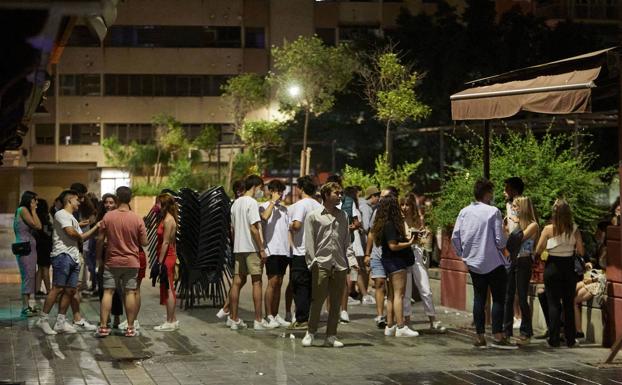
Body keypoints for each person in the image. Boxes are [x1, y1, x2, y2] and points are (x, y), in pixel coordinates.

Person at [451, 179, 515, 349]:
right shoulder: (493, 212)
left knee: (479, 298)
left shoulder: (464, 212)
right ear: (487, 193)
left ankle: (479, 335)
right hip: (494, 262)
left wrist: (463, 255)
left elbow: (455, 237)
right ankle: (498, 334)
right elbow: (500, 241)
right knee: (498, 298)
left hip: (474, 262)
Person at [36, 190, 100, 335]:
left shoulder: (71, 217)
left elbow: (80, 236)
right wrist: (82, 231)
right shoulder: (61, 214)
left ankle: (60, 322)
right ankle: (43, 319)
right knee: (57, 288)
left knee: (70, 290)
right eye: (77, 200)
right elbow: (73, 234)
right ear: (70, 200)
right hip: (62, 256)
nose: (79, 202)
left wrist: (89, 227)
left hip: (74, 256)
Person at [302, 182, 350, 348]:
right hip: (321, 263)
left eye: (341, 193)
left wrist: (350, 261)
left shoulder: (343, 215)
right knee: (318, 300)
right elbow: (309, 241)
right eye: (337, 193)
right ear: (326, 195)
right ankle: (311, 331)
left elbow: (346, 241)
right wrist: (312, 261)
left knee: (336, 302)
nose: (340, 196)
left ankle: (331, 335)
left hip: (339, 263)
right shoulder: (314, 216)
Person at [95, 186, 148, 337]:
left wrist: (99, 258)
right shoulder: (137, 218)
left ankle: (104, 327)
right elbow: (144, 242)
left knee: (108, 292)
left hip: (112, 261)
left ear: (117, 199)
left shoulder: (108, 217)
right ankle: (130, 328)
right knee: (130, 292)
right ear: (130, 199)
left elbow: (100, 239)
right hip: (131, 262)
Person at [535, 199, 584, 348]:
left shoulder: (548, 229)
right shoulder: (574, 229)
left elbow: (538, 250)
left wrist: (549, 249)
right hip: (568, 268)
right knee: (569, 303)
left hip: (553, 267)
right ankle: (570, 339)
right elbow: (581, 251)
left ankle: (554, 338)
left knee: (553, 303)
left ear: (554, 213)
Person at [370, 195, 419, 337]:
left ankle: (390, 325)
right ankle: (401, 326)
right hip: (396, 262)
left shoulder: (382, 223)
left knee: (391, 295)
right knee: (399, 295)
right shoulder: (391, 224)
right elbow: (393, 246)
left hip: (387, 260)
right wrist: (409, 243)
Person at [227, 175, 269, 330]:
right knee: (257, 282)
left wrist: (236, 244)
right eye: (261, 187)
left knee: (236, 282)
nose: (262, 191)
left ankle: (233, 318)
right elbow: (254, 228)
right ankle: (258, 319)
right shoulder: (252, 203)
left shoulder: (235, 204)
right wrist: (262, 248)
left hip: (239, 248)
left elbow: (231, 229)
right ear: (256, 186)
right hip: (252, 248)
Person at [400, 193, 445, 332]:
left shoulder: (417, 219)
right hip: (403, 255)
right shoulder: (398, 220)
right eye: (402, 204)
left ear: (412, 205)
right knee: (406, 292)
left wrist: (424, 235)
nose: (405, 207)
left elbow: (423, 240)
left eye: (407, 204)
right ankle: (407, 321)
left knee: (425, 288)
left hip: (417, 253)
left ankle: (432, 320)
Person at [503, 196, 539, 344]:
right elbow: (507, 242)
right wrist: (505, 228)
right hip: (513, 260)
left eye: (516, 207)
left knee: (522, 296)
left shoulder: (532, 225)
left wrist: (513, 226)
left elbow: (518, 239)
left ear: (523, 208)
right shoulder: (516, 225)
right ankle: (506, 330)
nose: (514, 209)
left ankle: (526, 332)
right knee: (508, 295)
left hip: (524, 261)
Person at [287, 175, 321, 329]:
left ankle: (302, 318)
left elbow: (297, 225)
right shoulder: (318, 205)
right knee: (313, 286)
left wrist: (290, 225)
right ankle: (312, 316)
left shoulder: (301, 205)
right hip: (316, 252)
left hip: (301, 252)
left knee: (299, 285)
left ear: (300, 188)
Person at [365, 187, 398, 329]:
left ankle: (392, 316)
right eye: (381, 197)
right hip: (377, 253)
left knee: (391, 286)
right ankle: (380, 315)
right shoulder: (377, 212)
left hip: (392, 254)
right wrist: (367, 253)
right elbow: (371, 232)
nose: (381, 199)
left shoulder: (397, 214)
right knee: (379, 283)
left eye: (385, 197)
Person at [260, 179, 291, 328]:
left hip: (284, 250)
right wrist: (272, 202)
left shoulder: (285, 210)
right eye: (278, 191)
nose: (281, 194)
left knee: (279, 283)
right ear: (271, 191)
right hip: (271, 250)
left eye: (282, 192)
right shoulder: (264, 206)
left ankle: (276, 313)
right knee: (272, 282)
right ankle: (268, 315)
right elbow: (264, 218)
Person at [95, 193, 124, 329]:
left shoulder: (120, 217)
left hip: (116, 255)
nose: (108, 205)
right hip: (103, 254)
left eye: (111, 202)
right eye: (106, 202)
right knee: (103, 287)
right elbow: (98, 238)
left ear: (116, 204)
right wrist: (98, 258)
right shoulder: (100, 218)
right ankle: (105, 318)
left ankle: (117, 316)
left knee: (116, 288)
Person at [152, 193, 180, 331]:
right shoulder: (165, 218)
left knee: (169, 288)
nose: (156, 206)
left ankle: (169, 321)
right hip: (166, 256)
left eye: (158, 203)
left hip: (167, 257)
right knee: (167, 287)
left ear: (164, 205)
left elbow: (166, 242)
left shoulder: (169, 221)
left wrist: (159, 262)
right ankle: (173, 319)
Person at [13, 191, 42, 317]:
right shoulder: (23, 209)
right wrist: (34, 211)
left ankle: (27, 306)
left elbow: (38, 226)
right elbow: (36, 225)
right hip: (25, 248)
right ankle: (25, 307)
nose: (37, 203)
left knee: (30, 275)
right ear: (30, 200)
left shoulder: (23, 210)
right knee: (28, 276)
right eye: (35, 200)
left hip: (28, 247)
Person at [358, 186, 379, 305]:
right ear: (372, 196)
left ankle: (363, 293)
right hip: (364, 242)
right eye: (377, 196)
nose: (378, 198)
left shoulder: (364, 206)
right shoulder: (366, 208)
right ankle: (364, 295)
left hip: (362, 241)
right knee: (363, 269)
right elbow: (367, 227)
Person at [34, 198, 52, 297]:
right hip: (45, 245)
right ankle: (49, 290)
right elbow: (47, 232)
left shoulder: (36, 216)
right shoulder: (44, 218)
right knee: (45, 267)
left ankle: (37, 290)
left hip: (38, 244)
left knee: (40, 268)